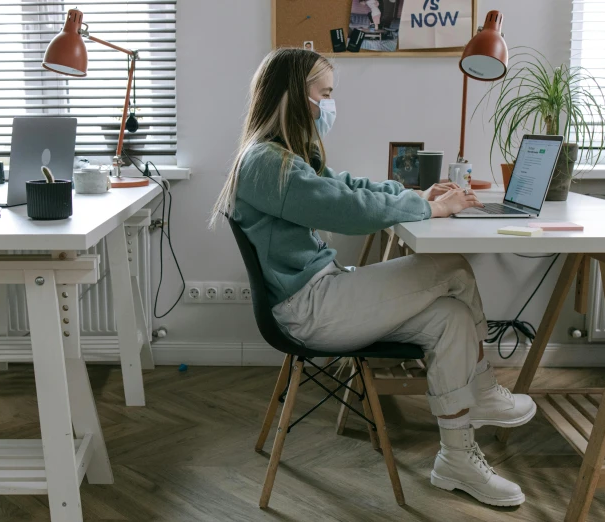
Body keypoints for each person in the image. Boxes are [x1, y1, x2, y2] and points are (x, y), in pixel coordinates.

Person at [210, 49, 537, 507]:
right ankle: (483, 390)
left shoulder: (285, 157)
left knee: (451, 318)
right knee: (453, 268)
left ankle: (457, 460)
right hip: (309, 310)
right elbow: (344, 209)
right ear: (296, 97)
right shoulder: (265, 163)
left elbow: (346, 187)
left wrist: (412, 194)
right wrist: (428, 207)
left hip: (323, 294)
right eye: (324, 94)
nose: (329, 105)